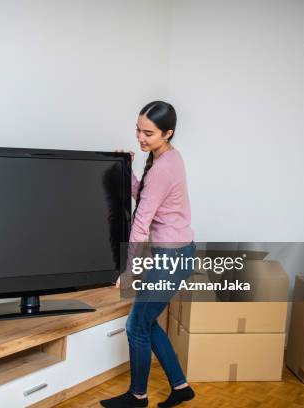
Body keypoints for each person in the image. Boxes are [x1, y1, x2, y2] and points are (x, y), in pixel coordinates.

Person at [101, 101, 196, 408]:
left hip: (170, 258)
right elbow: (149, 195)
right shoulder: (170, 157)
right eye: (138, 130)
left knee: (135, 325)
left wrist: (128, 272)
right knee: (148, 322)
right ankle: (181, 387)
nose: (141, 138)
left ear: (167, 133)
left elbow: (141, 224)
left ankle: (137, 396)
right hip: (177, 254)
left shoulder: (162, 168)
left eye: (149, 133)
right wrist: (128, 171)